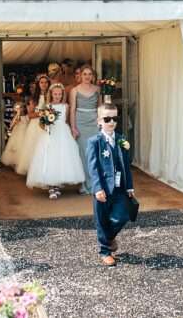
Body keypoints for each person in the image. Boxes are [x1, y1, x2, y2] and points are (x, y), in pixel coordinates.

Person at [86, 103, 135, 267]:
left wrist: (129, 187)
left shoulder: (121, 140)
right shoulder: (94, 142)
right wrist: (97, 188)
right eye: (107, 119)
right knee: (102, 219)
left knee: (123, 214)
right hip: (103, 189)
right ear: (99, 121)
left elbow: (126, 165)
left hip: (120, 187)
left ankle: (109, 238)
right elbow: (93, 168)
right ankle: (105, 251)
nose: (112, 122)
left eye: (115, 118)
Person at [26, 83, 86, 199]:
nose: (57, 96)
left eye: (59, 94)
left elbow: (66, 120)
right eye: (55, 94)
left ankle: (57, 185)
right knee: (50, 158)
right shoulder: (48, 105)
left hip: (63, 133)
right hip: (50, 134)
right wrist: (46, 125)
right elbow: (41, 123)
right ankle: (51, 187)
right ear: (51, 94)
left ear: (62, 94)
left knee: (61, 158)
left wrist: (72, 131)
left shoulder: (66, 106)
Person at [70, 66, 101, 195]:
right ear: (80, 76)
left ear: (92, 76)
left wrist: (101, 124)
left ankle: (95, 184)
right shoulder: (74, 90)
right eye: (85, 74)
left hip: (94, 122)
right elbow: (72, 109)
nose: (87, 77)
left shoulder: (98, 89)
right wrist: (73, 127)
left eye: (90, 74)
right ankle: (84, 184)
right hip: (80, 122)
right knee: (83, 154)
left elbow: (100, 108)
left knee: (94, 153)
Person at [15, 75, 51, 175]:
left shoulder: (52, 96)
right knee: (34, 147)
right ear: (38, 84)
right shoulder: (34, 98)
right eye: (42, 82)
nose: (44, 84)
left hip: (48, 124)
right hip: (36, 125)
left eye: (46, 82)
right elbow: (30, 115)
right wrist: (42, 113)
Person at [0, 102, 29, 168]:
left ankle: (20, 162)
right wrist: (17, 115)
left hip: (24, 133)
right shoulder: (16, 117)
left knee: (22, 147)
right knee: (15, 147)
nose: (19, 109)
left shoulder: (27, 116)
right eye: (18, 108)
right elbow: (11, 125)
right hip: (16, 133)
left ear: (23, 108)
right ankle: (14, 162)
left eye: (21, 108)